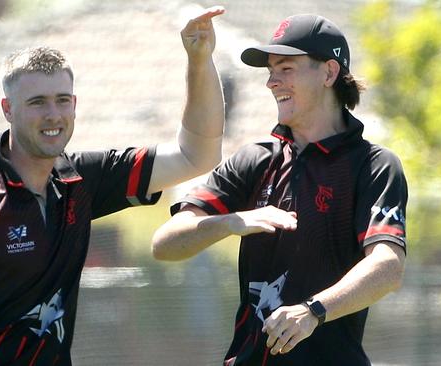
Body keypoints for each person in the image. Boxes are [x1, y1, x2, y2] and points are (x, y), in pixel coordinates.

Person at [0, 7, 226, 366]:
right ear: (7, 109)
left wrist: (199, 61)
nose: (53, 114)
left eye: (62, 100)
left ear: (74, 105)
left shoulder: (83, 179)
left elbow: (195, 155)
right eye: (37, 102)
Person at [152, 14, 407, 366]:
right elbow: (165, 243)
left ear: (329, 73)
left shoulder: (374, 166)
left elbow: (388, 266)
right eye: (270, 71)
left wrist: (313, 311)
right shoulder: (254, 160)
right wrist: (230, 222)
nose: (272, 82)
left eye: (286, 68)